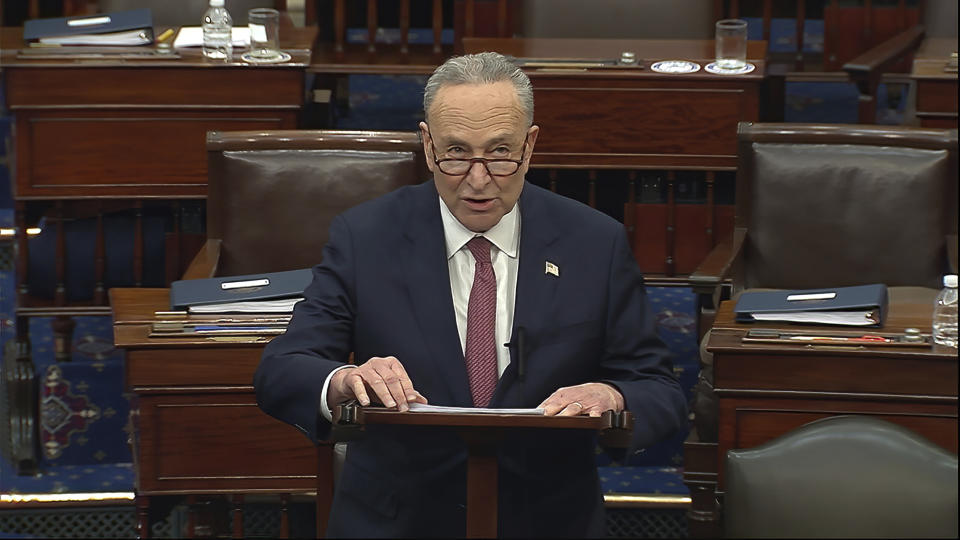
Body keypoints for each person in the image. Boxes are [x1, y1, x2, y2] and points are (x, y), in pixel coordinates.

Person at [254, 51, 687, 538]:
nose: (478, 180)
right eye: (457, 152)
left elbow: (659, 389)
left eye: (500, 153)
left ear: (530, 145)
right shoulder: (366, 237)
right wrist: (344, 380)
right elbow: (282, 368)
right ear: (426, 142)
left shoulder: (594, 242)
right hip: (398, 519)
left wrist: (612, 394)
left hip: (548, 519)